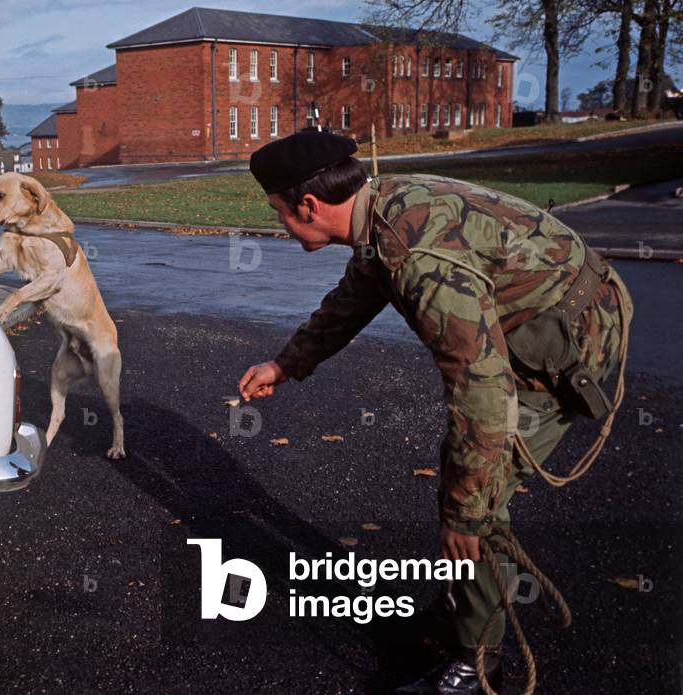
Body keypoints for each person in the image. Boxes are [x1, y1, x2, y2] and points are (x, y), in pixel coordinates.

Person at [237, 130, 632, 695]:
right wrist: (285, 364)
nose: (279, 224)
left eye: (279, 212)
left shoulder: (418, 253)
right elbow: (355, 296)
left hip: (570, 337)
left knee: (477, 500)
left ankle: (480, 661)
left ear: (309, 205)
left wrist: (463, 511)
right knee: (465, 483)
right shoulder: (380, 212)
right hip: (544, 314)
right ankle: (460, 613)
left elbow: (482, 387)